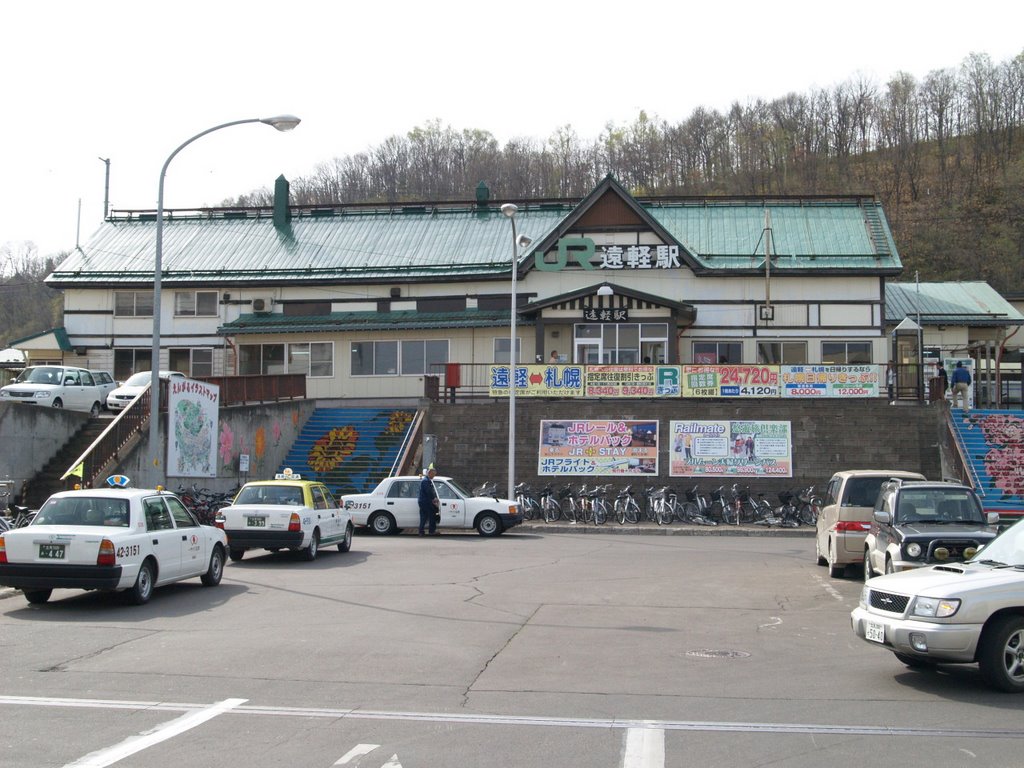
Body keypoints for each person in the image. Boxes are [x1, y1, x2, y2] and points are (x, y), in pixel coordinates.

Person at [418, 465, 440, 536]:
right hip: (425, 502)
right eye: (433, 474)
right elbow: (429, 491)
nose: (434, 476)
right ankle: (431, 531)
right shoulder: (426, 481)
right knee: (432, 515)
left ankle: (421, 532)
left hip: (423, 501)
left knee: (423, 517)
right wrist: (434, 498)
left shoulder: (426, 480)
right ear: (429, 473)